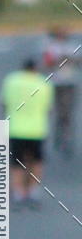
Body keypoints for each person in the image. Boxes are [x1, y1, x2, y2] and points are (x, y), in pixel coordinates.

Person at [0, 58, 54, 210]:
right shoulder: (44, 83)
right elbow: (48, 108)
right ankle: (33, 190)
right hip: (37, 129)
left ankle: (18, 191)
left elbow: (4, 103)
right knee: (36, 161)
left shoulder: (11, 80)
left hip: (16, 128)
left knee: (17, 162)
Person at [41, 26, 80, 157]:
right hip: (55, 83)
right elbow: (46, 64)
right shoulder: (51, 48)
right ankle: (57, 136)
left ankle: (66, 138)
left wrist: (71, 59)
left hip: (69, 84)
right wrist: (60, 60)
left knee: (67, 113)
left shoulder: (73, 47)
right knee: (54, 112)